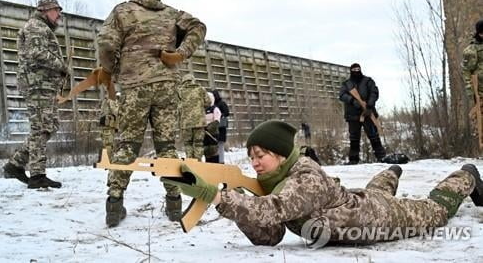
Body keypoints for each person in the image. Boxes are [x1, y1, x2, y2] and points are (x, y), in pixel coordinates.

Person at [162, 120, 483, 247]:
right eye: (251, 156)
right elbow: (269, 234)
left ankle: (467, 175)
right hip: (357, 202)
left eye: (261, 155)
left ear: (281, 154)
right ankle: (392, 172)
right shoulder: (273, 183)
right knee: (372, 191)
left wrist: (219, 199)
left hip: (381, 219)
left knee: (435, 211)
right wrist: (238, 203)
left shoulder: (305, 177)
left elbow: (275, 209)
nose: (255, 162)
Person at [96, 0, 206, 226]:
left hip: (135, 87)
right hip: (167, 86)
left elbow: (106, 42)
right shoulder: (171, 13)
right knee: (166, 145)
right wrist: (180, 55)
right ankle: (174, 204)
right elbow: (198, 27)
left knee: (127, 145)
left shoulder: (122, 12)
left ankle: (114, 203)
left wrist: (109, 69)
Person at [3, 0, 67, 189]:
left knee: (50, 125)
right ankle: (37, 175)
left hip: (44, 86)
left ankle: (15, 163)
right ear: (46, 10)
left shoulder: (42, 27)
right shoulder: (36, 26)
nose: (60, 15)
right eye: (57, 10)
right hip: (38, 86)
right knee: (41, 128)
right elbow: (36, 53)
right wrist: (61, 66)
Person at [339, 63, 385, 164]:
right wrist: (353, 101)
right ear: (351, 71)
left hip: (368, 113)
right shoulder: (346, 84)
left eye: (358, 69)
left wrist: (369, 105)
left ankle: (381, 156)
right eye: (354, 69)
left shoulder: (368, 81)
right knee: (354, 138)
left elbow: (374, 92)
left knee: (374, 136)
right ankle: (353, 160)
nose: (356, 71)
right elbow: (342, 95)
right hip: (352, 115)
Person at [178, 74, 209, 160]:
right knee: (198, 143)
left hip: (185, 123)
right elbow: (208, 102)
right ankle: (198, 162)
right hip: (199, 122)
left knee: (188, 143)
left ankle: (190, 162)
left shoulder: (180, 91)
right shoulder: (200, 89)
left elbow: (176, 106)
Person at [462, 19, 483, 101]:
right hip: (481, 90)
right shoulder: (472, 50)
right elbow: (466, 70)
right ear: (480, 33)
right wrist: (469, 89)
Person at [212, 89, 230, 163]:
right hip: (216, 128)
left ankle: (221, 162)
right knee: (218, 146)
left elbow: (227, 112)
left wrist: (220, 115)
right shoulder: (213, 105)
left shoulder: (221, 104)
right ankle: (219, 161)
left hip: (221, 128)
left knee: (220, 146)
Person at [203, 92, 221, 163]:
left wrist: (209, 128)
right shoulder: (202, 110)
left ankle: (216, 165)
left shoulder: (215, 108)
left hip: (213, 133)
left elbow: (217, 120)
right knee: (206, 150)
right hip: (205, 133)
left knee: (213, 149)